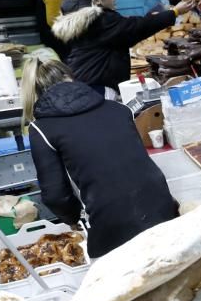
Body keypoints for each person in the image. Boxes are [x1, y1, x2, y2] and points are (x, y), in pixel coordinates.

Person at [22, 56, 178, 258]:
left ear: (35, 92)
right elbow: (132, 164)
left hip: (112, 225)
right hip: (162, 208)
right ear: (71, 77)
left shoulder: (42, 129)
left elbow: (55, 195)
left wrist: (73, 218)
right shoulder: (120, 109)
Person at [52, 0, 193, 97]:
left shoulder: (80, 18)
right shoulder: (100, 21)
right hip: (97, 89)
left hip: (83, 84)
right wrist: (174, 12)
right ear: (96, 1)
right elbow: (137, 27)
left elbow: (130, 26)